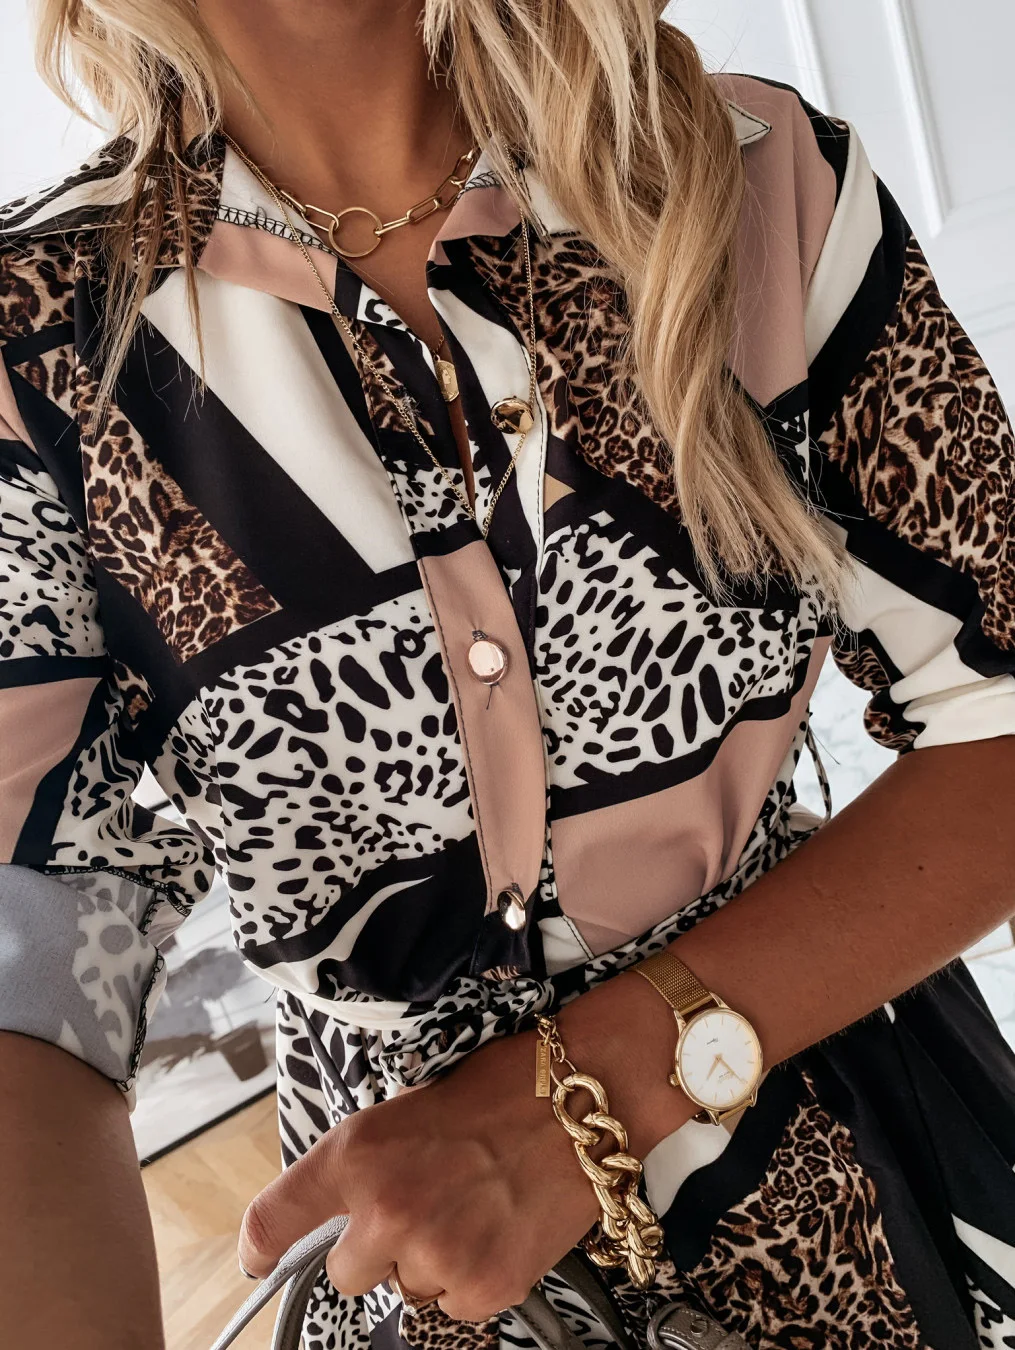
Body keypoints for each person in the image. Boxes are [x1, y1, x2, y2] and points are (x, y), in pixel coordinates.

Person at [2, 2, 1014, 1347]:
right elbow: (24, 968)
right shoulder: (35, 345)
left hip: (851, 1181)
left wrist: (575, 1099)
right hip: (399, 1262)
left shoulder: (748, 177)